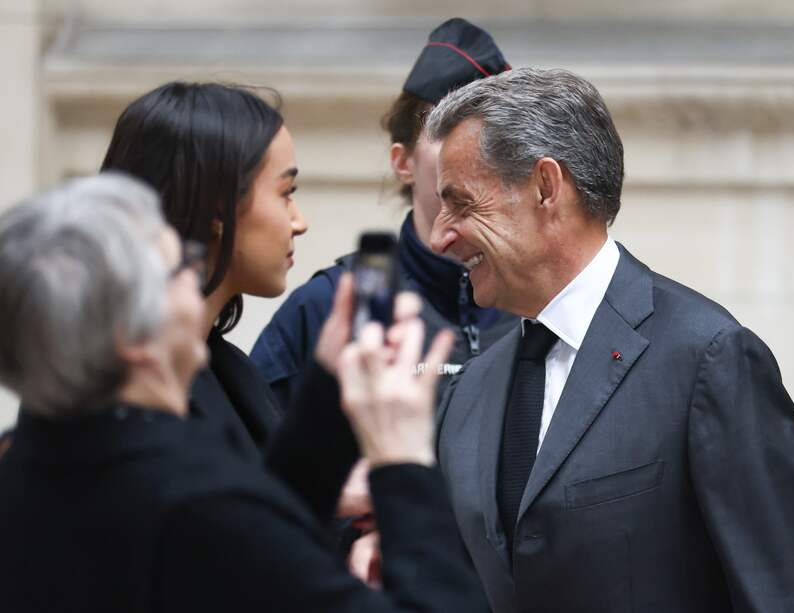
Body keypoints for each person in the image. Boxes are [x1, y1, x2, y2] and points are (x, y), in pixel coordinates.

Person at [426, 68, 794, 612]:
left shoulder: (707, 360)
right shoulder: (470, 392)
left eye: (461, 203)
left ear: (546, 188)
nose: (440, 236)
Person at [0, 174, 490, 612]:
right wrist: (401, 457)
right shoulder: (192, 504)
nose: (199, 281)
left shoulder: (30, 463)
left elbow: (262, 534)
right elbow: (241, 539)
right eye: (182, 269)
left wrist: (326, 381)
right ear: (133, 338)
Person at [250, 17, 517, 411]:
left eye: (493, 133)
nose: (474, 151)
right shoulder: (328, 308)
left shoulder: (539, 302)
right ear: (403, 161)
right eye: (447, 129)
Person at [100, 82, 306, 456]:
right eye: (285, 193)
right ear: (217, 206)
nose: (299, 222)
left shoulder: (227, 369)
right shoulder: (128, 396)